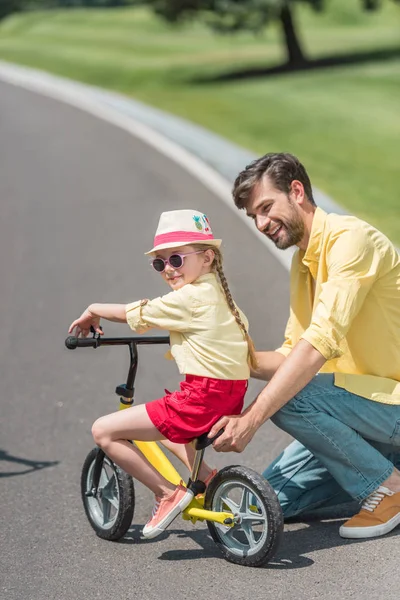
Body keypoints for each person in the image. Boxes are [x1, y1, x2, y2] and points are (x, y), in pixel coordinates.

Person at [209, 152, 400, 539]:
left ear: (297, 191)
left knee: (290, 398)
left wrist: (251, 419)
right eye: (254, 217)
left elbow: (317, 346)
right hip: (360, 415)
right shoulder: (303, 262)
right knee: (260, 506)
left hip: (391, 405)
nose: (261, 223)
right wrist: (229, 355)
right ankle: (379, 469)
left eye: (266, 207)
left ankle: (388, 490)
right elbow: (289, 353)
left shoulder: (352, 241)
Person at [68, 209, 255, 539]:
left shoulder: (189, 299)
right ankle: (208, 479)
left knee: (103, 431)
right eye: (160, 263)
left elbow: (136, 313)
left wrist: (94, 309)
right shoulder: (219, 294)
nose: (168, 269)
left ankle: (168, 494)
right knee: (168, 431)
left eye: (176, 260)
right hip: (229, 395)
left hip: (202, 396)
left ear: (207, 257)